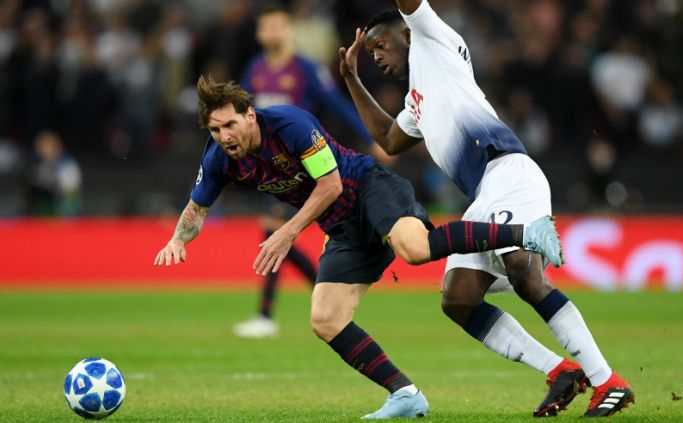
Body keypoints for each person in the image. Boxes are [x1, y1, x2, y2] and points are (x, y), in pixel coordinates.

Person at [154, 76, 562, 419]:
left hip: (369, 189)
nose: (224, 136)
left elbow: (330, 184)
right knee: (325, 318)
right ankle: (406, 394)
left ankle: (526, 233)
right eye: (214, 130)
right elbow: (196, 209)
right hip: (343, 228)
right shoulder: (220, 160)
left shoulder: (290, 125)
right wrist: (177, 238)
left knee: (414, 249)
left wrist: (288, 232)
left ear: (249, 115)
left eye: (229, 125)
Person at [338, 0, 633, 418]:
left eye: (379, 47)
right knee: (458, 299)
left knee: (524, 275)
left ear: (405, 33)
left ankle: (607, 381)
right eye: (371, 55)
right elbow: (387, 139)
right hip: (484, 194)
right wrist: (351, 78)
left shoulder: (431, 40)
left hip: (508, 171)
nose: (377, 58)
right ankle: (559, 371)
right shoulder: (418, 101)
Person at [233, 4, 391, 338]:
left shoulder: (306, 69)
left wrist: (373, 138)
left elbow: (338, 105)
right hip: (271, 166)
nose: (272, 33)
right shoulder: (256, 69)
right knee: (276, 235)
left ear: (288, 30)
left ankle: (265, 316)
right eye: (266, 28)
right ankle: (324, 291)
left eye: (278, 26)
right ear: (260, 34)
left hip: (305, 163)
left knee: (274, 231)